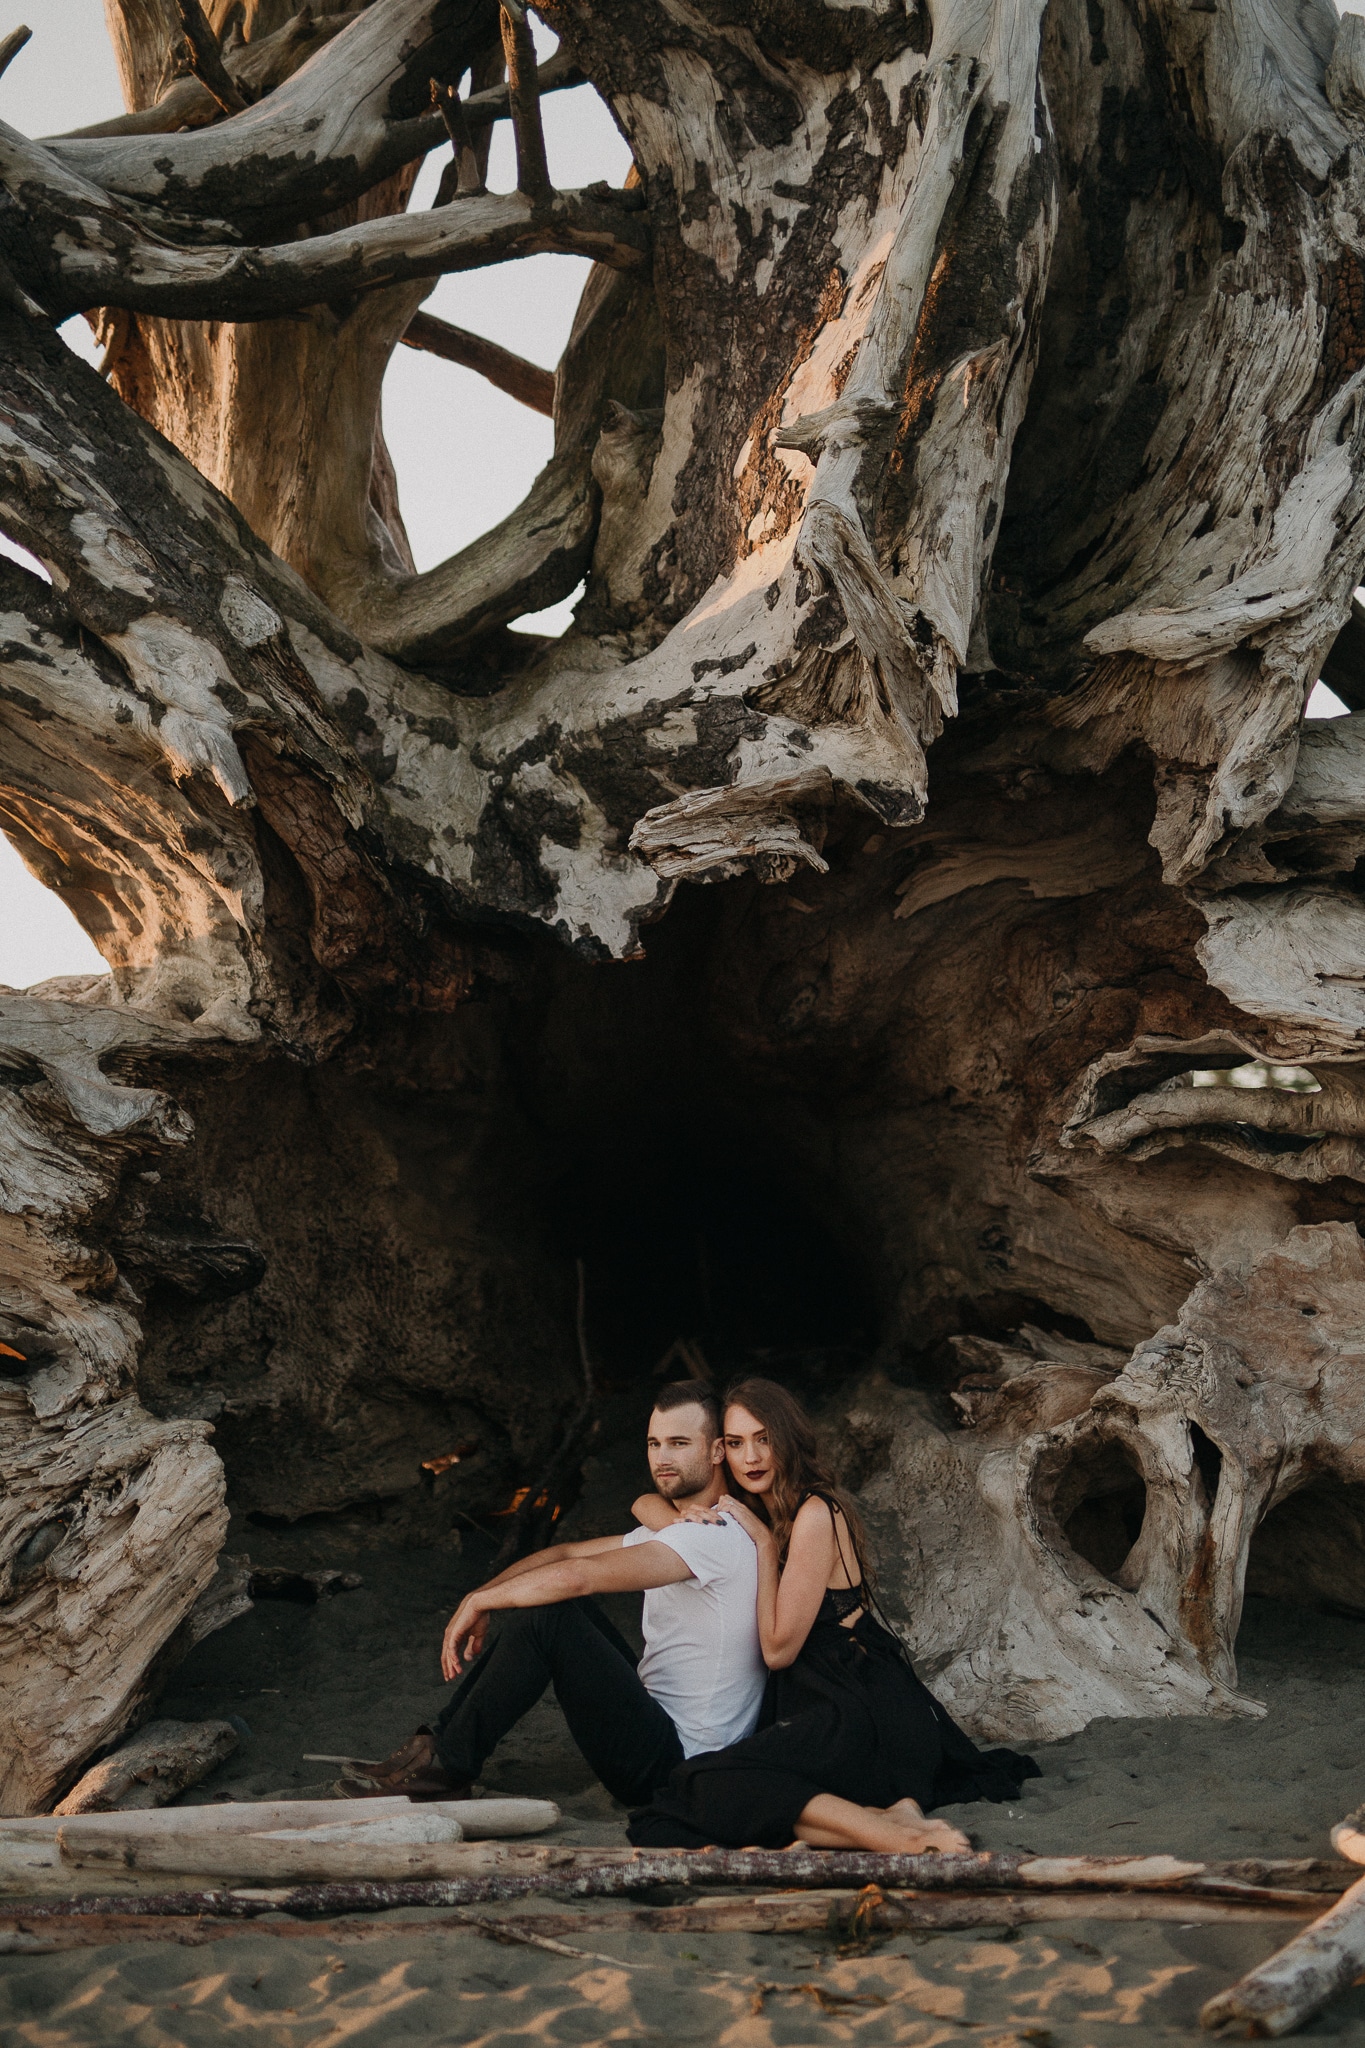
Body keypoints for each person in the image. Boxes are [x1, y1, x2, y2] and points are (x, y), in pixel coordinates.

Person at [626, 1377, 1039, 1852]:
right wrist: (660, 1513)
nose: (752, 1458)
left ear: (789, 1439)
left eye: (764, 1440)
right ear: (722, 1452)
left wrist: (763, 1546)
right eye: (737, 1444)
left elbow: (778, 1651)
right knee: (709, 1785)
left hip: (861, 1705)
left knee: (706, 1781)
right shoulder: (760, 1506)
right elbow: (645, 1500)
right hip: (815, 1703)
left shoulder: (814, 1513)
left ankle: (893, 1837)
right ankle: (897, 1822)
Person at [340, 1381, 766, 1805]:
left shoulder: (712, 1535)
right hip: (660, 1730)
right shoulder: (681, 1529)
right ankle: (438, 1748)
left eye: (678, 1443)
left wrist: (479, 1602)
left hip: (676, 1766)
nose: (663, 1458)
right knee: (554, 1606)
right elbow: (563, 1552)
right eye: (654, 1443)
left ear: (715, 1452)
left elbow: (578, 1575)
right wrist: (482, 1590)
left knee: (549, 1615)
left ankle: (447, 1768)